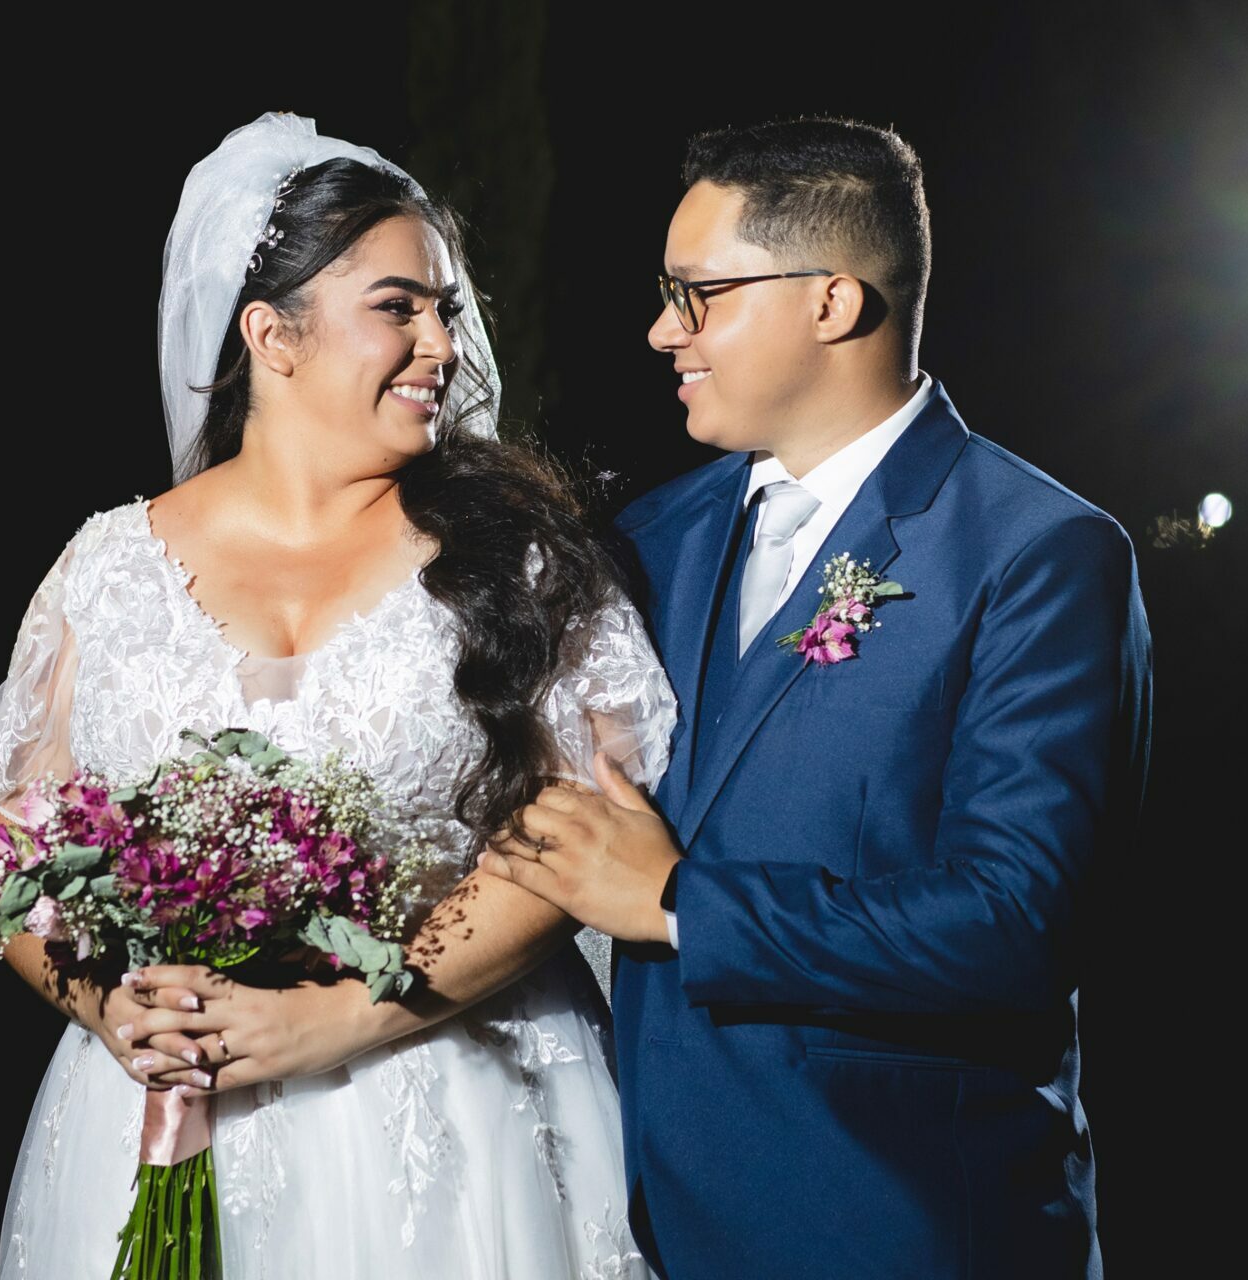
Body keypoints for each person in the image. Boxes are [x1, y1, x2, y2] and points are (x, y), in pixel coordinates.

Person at [0, 111, 671, 1279]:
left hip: (447, 1111)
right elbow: (15, 843)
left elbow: (573, 837)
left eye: (447, 309)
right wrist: (109, 1004)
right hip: (152, 1110)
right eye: (400, 307)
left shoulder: (518, 559)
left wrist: (342, 1014)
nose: (441, 344)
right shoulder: (107, 566)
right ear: (272, 333)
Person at [479, 116, 1154, 1277]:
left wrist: (681, 901)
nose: (663, 330)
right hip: (641, 1222)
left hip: (896, 1224)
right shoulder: (648, 540)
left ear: (832, 302)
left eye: (698, 295)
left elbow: (1014, 925)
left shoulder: (1037, 552)